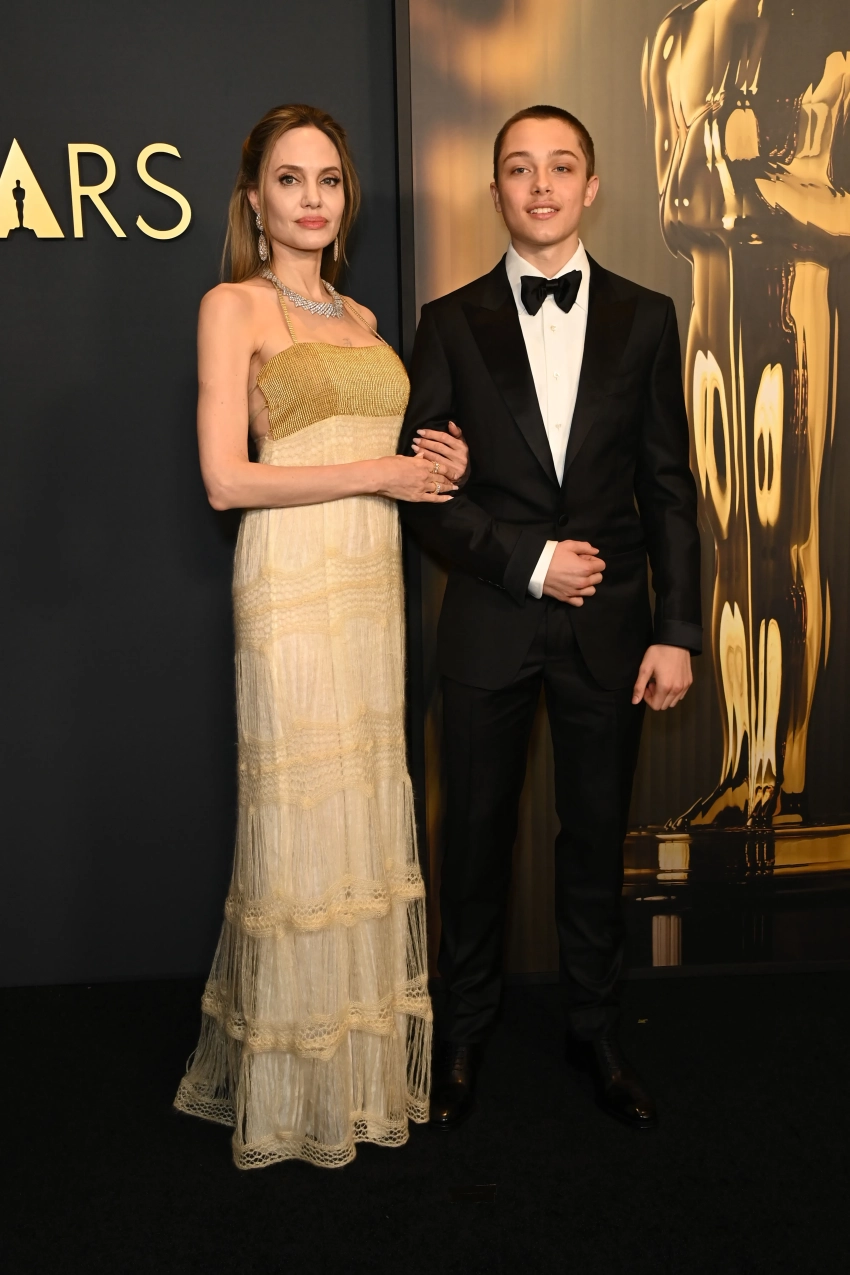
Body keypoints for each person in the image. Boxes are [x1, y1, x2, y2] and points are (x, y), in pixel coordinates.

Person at [174, 103, 469, 1169]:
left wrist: (432, 465)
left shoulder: (364, 318)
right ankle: (293, 1093)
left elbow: (385, 453)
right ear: (254, 200)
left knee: (360, 807)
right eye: (290, 180)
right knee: (301, 821)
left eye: (329, 180)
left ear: (346, 198)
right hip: (292, 580)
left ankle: (357, 1075)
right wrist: (377, 470)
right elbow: (225, 480)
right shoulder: (233, 305)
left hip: (367, 583)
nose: (311, 199)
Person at [397, 105, 702, 1132]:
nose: (540, 185)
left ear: (591, 186)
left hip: (613, 630)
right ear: (495, 191)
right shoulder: (447, 322)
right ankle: (463, 1034)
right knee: (474, 841)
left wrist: (677, 630)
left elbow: (669, 488)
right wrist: (531, 563)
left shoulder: (648, 316)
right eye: (520, 169)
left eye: (560, 167)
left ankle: (596, 1031)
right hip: (490, 619)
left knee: (594, 839)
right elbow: (426, 493)